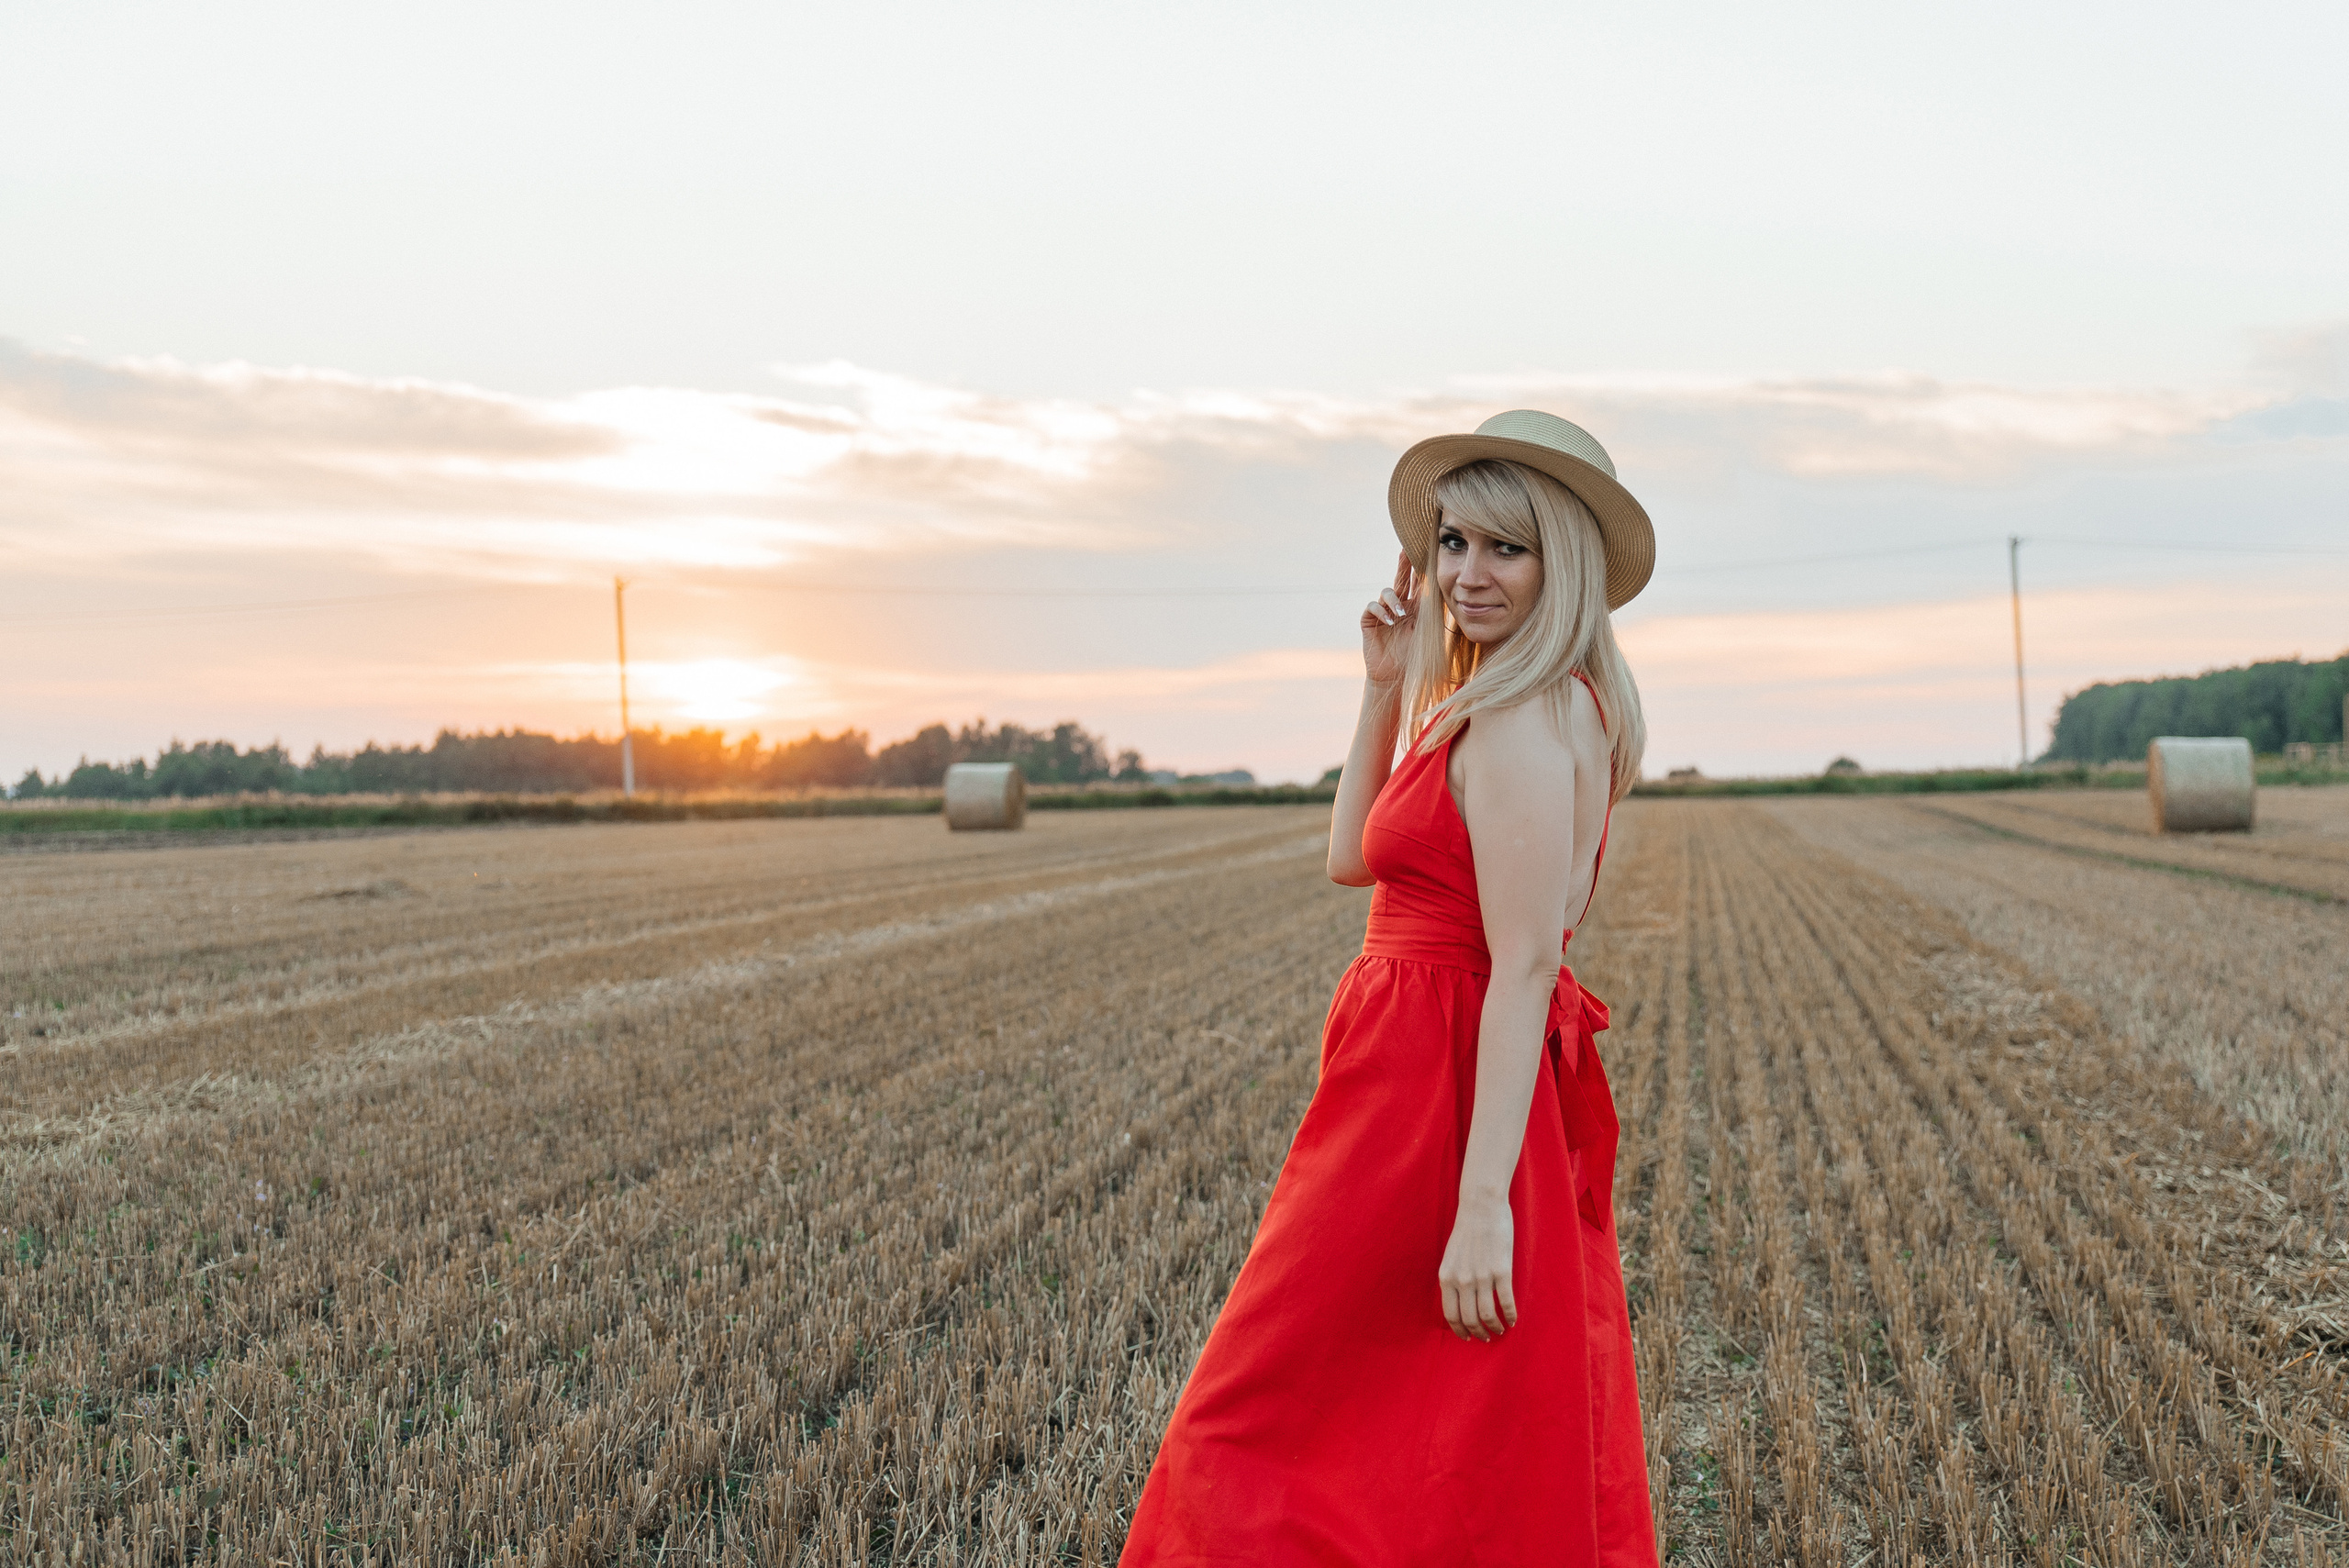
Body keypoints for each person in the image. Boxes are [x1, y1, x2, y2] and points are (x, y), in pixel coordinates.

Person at [1119, 411, 1658, 1565]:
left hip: (1438, 1095)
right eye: (1453, 541)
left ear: (1561, 560)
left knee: (1256, 1406)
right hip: (1400, 1079)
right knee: (1426, 1424)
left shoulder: (1517, 715)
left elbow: (1522, 965)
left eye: (1504, 549)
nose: (1466, 573)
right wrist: (1380, 688)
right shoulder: (1495, 698)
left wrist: (1481, 1208)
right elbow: (1351, 856)